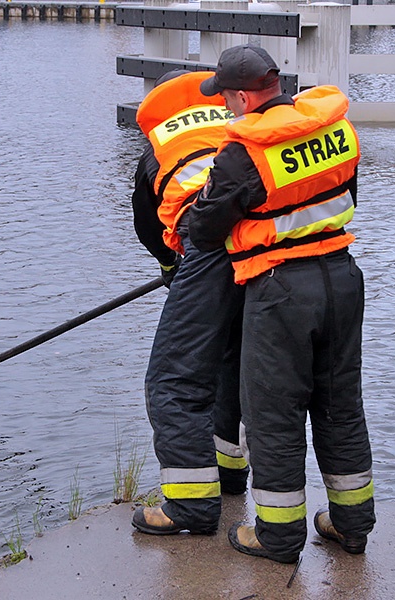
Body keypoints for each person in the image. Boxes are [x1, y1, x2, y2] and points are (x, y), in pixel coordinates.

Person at [188, 45, 376, 563]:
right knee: (340, 405)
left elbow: (205, 230)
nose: (227, 108)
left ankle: (277, 535)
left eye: (227, 99)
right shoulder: (337, 130)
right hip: (342, 279)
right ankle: (352, 525)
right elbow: (342, 194)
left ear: (244, 96)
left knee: (274, 414)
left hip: (279, 291)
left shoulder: (242, 152)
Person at [129, 70, 248, 536]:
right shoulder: (236, 124)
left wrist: (169, 268)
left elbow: (147, 222)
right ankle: (231, 475)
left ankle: (190, 506)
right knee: (230, 363)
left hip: (206, 251)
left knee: (173, 379)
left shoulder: (161, 148)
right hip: (265, 254)